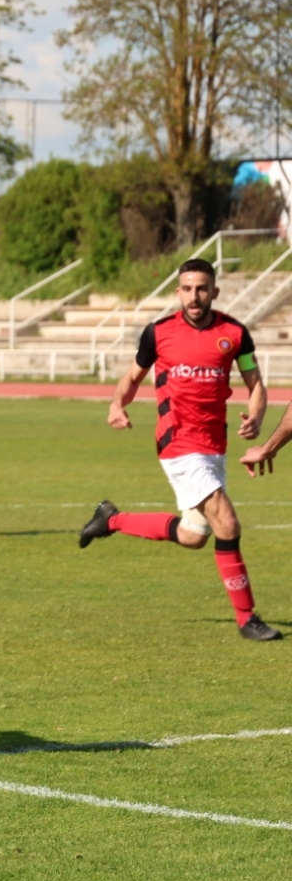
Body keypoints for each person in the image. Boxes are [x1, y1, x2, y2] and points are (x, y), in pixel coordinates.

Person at [79, 258, 278, 641]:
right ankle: (247, 618)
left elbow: (255, 384)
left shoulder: (235, 334)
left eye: (201, 288)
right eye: (187, 289)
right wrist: (116, 404)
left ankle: (111, 520)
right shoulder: (158, 333)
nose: (194, 296)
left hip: (214, 446)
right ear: (178, 292)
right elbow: (132, 377)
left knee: (193, 534)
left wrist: (255, 416)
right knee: (227, 523)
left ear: (214, 291)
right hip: (178, 444)